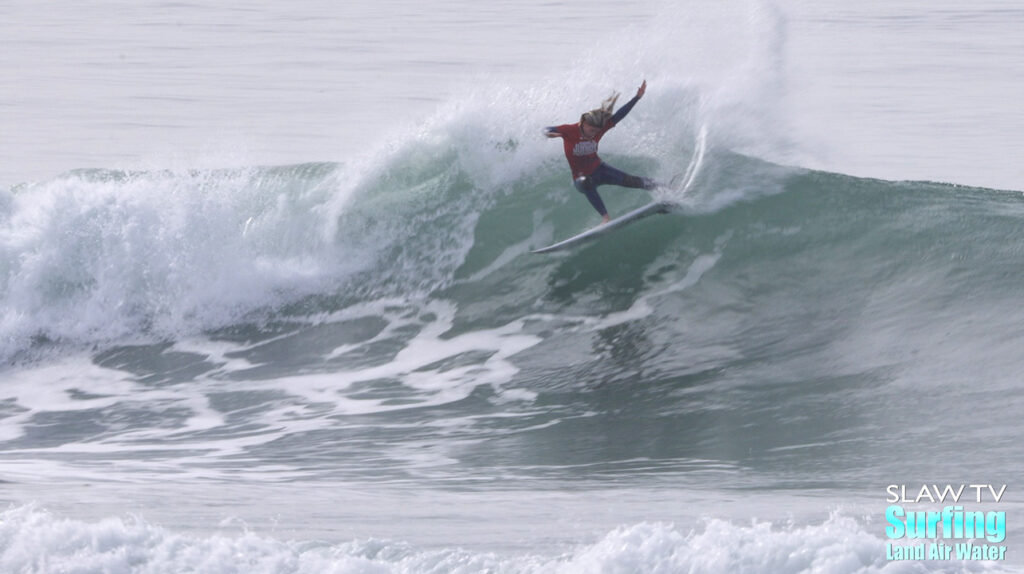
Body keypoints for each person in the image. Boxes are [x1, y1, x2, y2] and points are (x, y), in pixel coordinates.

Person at [545, 80, 657, 223]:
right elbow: (546, 129)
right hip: (580, 178)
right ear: (583, 123)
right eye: (591, 130)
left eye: (596, 131)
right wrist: (552, 134)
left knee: (633, 181)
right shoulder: (569, 130)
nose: (593, 134)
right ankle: (605, 218)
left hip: (600, 170)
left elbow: (618, 116)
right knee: (585, 183)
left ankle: (667, 187)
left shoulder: (599, 129)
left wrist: (637, 97)